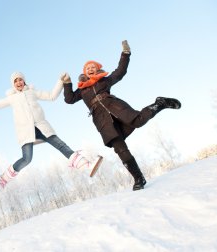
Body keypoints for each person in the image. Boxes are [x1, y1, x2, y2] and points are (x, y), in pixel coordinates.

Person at [63, 40, 181, 191]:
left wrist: (125, 54)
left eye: (93, 67)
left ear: (98, 69)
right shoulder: (82, 90)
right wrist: (67, 83)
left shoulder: (104, 81)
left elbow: (120, 71)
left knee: (138, 121)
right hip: (101, 119)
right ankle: (139, 178)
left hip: (116, 107)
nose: (90, 69)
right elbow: (69, 99)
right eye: (88, 68)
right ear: (84, 72)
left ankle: (160, 103)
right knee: (119, 147)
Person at [0, 72, 103, 192]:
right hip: (26, 131)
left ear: (24, 81)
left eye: (20, 80)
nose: (18, 83)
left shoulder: (32, 92)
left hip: (42, 127)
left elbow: (51, 96)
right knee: (27, 158)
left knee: (61, 145)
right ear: (13, 84)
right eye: (16, 81)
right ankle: (3, 179)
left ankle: (86, 165)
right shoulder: (12, 98)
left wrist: (60, 81)